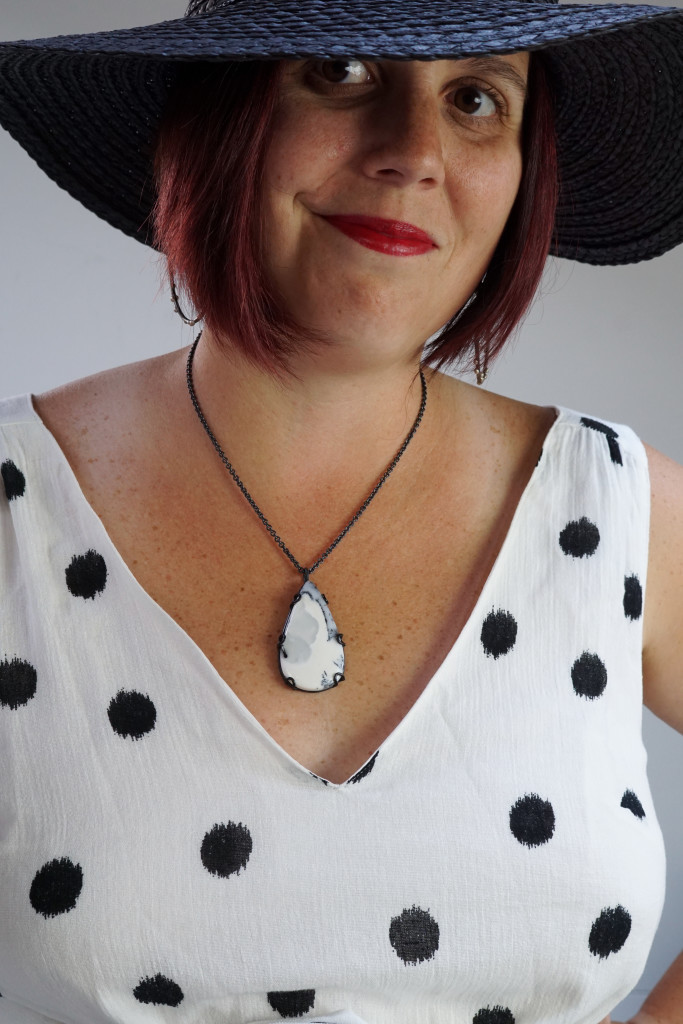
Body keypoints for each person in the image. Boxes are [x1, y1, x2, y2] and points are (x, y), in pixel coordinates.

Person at [0, 1, 681, 1022]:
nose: (412, 154)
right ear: (218, 120)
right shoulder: (15, 516)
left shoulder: (623, 510)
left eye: (475, 98)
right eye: (343, 68)